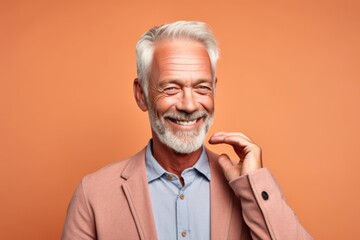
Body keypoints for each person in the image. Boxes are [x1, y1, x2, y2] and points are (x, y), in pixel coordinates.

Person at [62, 21, 312, 240]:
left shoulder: (249, 187)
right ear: (142, 95)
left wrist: (252, 186)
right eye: (171, 88)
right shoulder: (93, 194)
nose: (189, 105)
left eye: (202, 88)